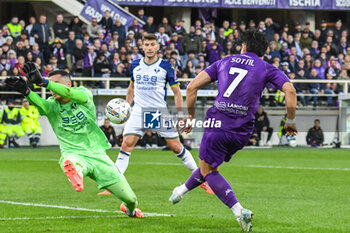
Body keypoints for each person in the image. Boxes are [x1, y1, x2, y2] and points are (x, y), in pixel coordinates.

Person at [169, 29, 297, 232]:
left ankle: (239, 211)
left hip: (218, 124)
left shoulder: (225, 61)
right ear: (263, 52)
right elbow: (290, 90)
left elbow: (192, 87)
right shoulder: (266, 68)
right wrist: (290, 121)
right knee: (209, 167)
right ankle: (180, 192)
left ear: (243, 47)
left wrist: (191, 117)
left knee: (208, 170)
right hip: (243, 131)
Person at [5, 64, 144, 218]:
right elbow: (41, 105)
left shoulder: (83, 94)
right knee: (74, 163)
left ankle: (129, 209)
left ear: (69, 84)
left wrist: (45, 82)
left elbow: (70, 94)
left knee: (131, 199)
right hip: (72, 152)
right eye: (51, 86)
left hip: (98, 155)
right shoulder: (52, 104)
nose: (52, 89)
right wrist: (27, 92)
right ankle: (76, 173)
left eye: (56, 84)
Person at [99, 33, 213, 195]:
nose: (150, 48)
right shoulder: (135, 65)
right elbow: (131, 88)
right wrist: (127, 107)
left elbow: (177, 93)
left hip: (158, 111)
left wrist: (181, 115)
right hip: (138, 110)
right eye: (147, 45)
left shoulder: (166, 66)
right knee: (126, 145)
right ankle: (114, 185)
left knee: (176, 147)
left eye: (153, 44)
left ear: (158, 47)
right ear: (142, 47)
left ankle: (201, 179)